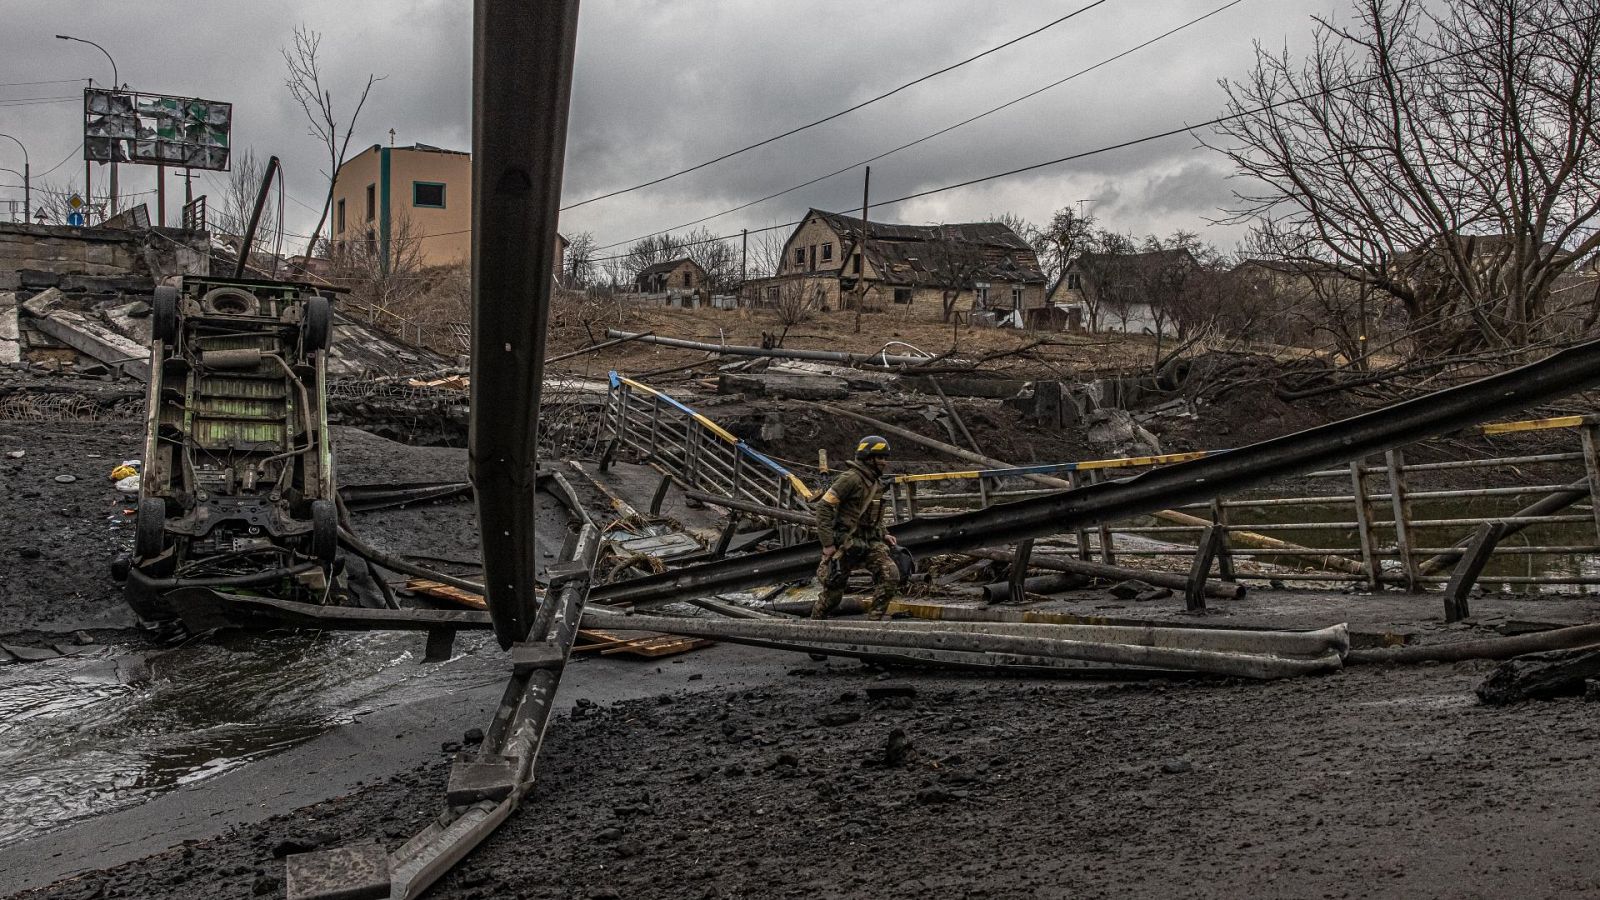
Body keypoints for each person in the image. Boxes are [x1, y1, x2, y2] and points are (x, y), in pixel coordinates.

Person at [811, 434, 900, 620]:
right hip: (846, 544)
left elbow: (871, 514)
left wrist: (884, 533)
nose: (884, 462)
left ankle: (873, 624)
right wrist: (828, 544)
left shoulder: (875, 482)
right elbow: (824, 507)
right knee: (832, 596)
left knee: (890, 574)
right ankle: (813, 629)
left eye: (885, 458)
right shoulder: (850, 479)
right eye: (880, 458)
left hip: (869, 542)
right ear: (868, 457)